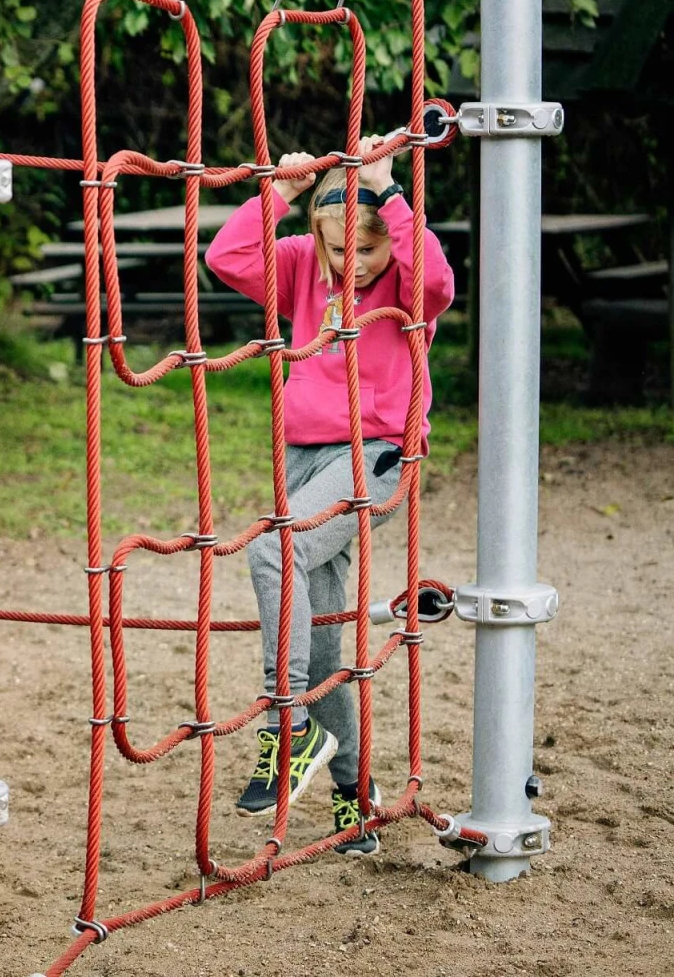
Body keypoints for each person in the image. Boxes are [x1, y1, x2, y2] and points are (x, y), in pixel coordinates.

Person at [204, 133, 455, 854]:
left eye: (367, 251)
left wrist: (390, 190)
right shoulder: (305, 263)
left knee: (269, 554)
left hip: (373, 452)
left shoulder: (405, 287)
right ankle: (353, 798)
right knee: (318, 646)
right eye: (339, 250)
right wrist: (279, 196)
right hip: (305, 456)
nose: (351, 265)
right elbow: (227, 259)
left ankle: (286, 725)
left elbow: (437, 282)